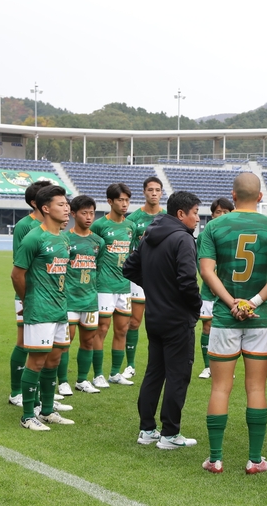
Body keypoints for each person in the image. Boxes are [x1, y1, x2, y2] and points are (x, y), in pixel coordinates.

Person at [198, 173, 267, 473]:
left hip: (225, 319)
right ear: (260, 196)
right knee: (256, 389)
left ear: (233, 195)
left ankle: (215, 459)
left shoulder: (213, 226)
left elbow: (207, 272)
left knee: (220, 388)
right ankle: (254, 459)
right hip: (258, 319)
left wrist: (231, 303)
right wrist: (253, 302)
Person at [123, 191, 201, 450]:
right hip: (177, 319)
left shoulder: (149, 235)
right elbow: (188, 281)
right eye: (195, 213)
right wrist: (196, 306)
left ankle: (147, 430)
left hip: (154, 316)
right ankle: (169, 434)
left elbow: (129, 267)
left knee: (154, 373)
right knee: (178, 376)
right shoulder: (183, 239)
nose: (198, 219)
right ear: (181, 214)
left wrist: (155, 289)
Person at [10, 185, 75, 430]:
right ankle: (28, 415)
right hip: (40, 309)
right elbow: (17, 275)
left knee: (54, 360)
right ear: (45, 208)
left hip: (60, 308)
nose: (67, 207)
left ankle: (47, 411)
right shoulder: (33, 237)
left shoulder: (64, 237)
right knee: (36, 362)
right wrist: (29, 301)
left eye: (67, 203)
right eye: (61, 204)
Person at [8, 180, 53, 407]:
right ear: (38, 203)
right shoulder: (25, 226)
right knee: (24, 342)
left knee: (47, 348)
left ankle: (43, 397)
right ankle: (17, 391)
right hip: (29, 294)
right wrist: (26, 297)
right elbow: (20, 266)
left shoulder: (53, 228)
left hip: (49, 297)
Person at [90, 183, 137, 388]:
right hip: (104, 286)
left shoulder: (131, 227)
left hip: (124, 286)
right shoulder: (99, 226)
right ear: (110, 201)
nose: (124, 204)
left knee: (122, 330)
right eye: (120, 200)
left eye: (127, 200)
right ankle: (98, 374)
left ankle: (115, 373)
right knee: (102, 328)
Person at [124, 177, 164, 379]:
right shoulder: (133, 220)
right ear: (144, 192)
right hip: (141, 276)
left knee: (161, 321)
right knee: (135, 321)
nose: (154, 193)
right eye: (150, 190)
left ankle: (158, 362)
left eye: (157, 190)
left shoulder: (168, 217)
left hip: (162, 277)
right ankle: (130, 364)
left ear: (162, 193)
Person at [64, 196, 105, 395]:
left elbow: (99, 268)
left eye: (92, 213)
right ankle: (62, 381)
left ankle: (82, 379)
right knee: (66, 341)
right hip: (69, 300)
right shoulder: (65, 239)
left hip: (90, 301)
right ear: (73, 214)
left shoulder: (98, 242)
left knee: (88, 341)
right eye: (84, 213)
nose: (89, 217)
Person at [197, 197, 234, 380]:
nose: (221, 215)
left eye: (225, 212)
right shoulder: (205, 235)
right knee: (207, 326)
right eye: (218, 212)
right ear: (212, 215)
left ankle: (226, 367)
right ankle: (207, 366)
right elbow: (200, 262)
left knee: (227, 327)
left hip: (229, 289)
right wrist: (211, 282)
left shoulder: (235, 233)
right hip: (208, 290)